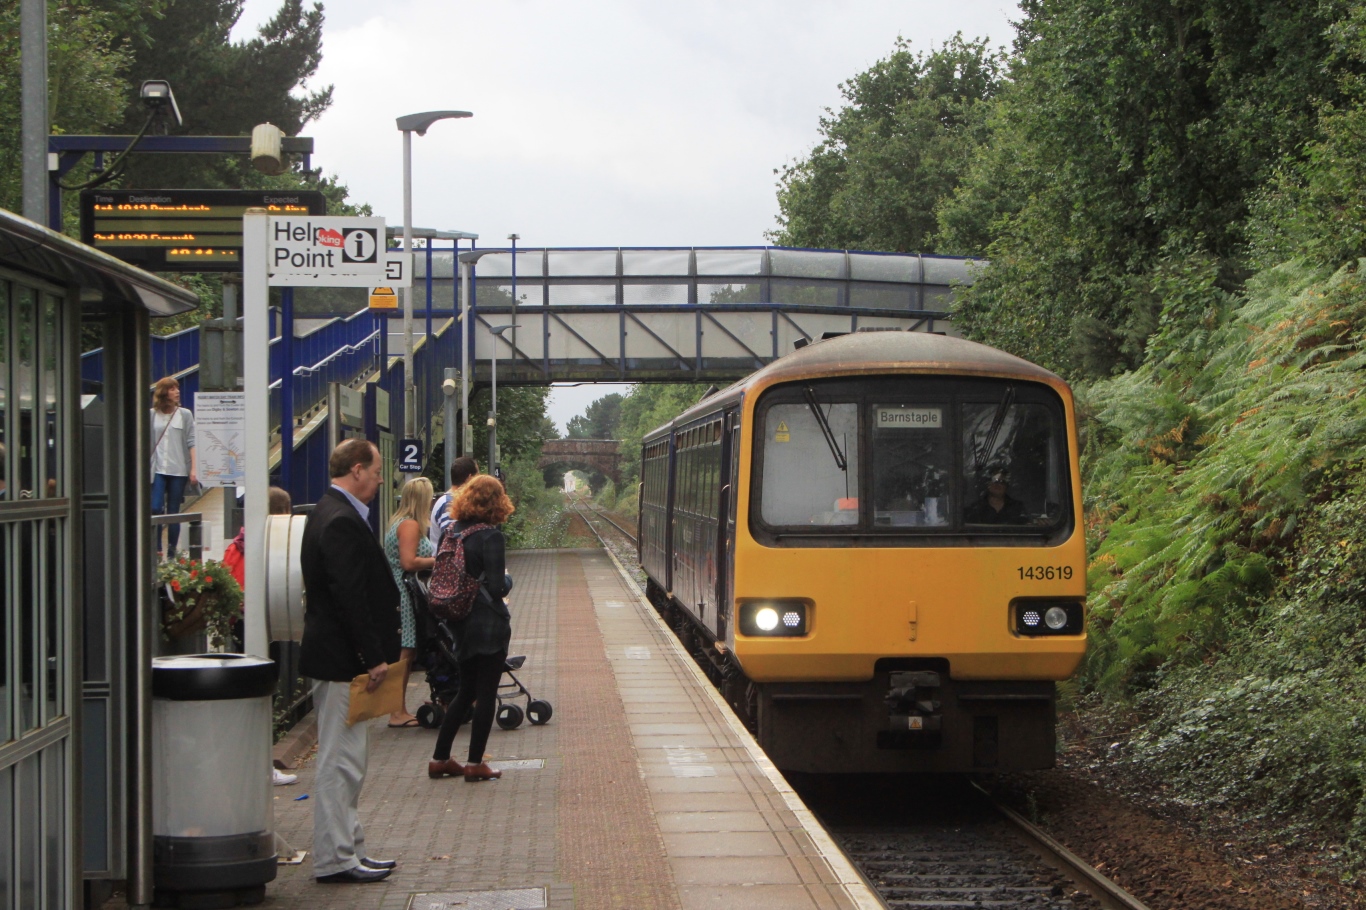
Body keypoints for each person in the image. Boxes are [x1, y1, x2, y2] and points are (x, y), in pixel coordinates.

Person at [299, 438, 402, 884]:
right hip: (344, 661)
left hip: (339, 658)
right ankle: (336, 858)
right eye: (378, 471)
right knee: (340, 762)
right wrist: (373, 656)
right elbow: (349, 595)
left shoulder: (326, 511)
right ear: (357, 470)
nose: (381, 480)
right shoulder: (340, 520)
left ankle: (351, 849)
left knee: (348, 760)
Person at [427, 474, 515, 783]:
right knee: (486, 692)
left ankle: (439, 759)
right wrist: (507, 579)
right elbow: (496, 586)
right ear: (497, 502)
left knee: (465, 690)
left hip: (458, 618)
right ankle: (475, 763)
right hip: (487, 622)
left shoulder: (451, 531)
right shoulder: (491, 536)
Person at [383, 476, 436, 728]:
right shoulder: (410, 525)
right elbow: (408, 562)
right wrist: (437, 561)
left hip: (399, 589)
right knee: (406, 651)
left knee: (407, 650)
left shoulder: (398, 522)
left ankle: (398, 708)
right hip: (405, 591)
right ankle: (397, 711)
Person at [150, 376, 197, 559]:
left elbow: (191, 441)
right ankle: (156, 547)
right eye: (172, 388)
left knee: (174, 510)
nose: (177, 391)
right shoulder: (152, 415)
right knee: (155, 507)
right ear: (163, 392)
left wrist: (193, 468)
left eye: (177, 388)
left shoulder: (184, 414)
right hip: (158, 468)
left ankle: (171, 551)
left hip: (178, 469)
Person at [429, 456, 479, 546]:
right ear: (470, 478)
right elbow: (452, 542)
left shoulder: (448, 501)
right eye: (477, 476)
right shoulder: (449, 504)